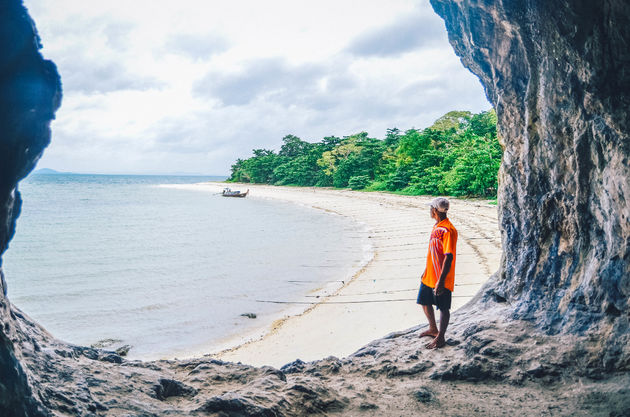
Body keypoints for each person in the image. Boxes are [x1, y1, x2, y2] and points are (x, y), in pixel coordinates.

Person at [417, 197, 458, 349]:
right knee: (424, 300)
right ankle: (433, 328)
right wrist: (426, 270)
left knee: (443, 307)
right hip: (430, 275)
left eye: (430, 208)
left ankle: (441, 336)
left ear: (434, 210)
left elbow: (448, 256)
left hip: (442, 277)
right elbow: (434, 252)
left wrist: (441, 281)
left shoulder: (448, 230)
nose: (430, 211)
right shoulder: (437, 226)